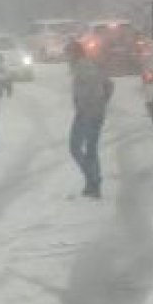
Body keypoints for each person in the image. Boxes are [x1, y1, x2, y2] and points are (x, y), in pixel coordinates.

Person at [67, 40, 113, 198]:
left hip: (88, 114)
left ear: (74, 54)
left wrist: (91, 106)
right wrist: (103, 102)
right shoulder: (84, 66)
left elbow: (96, 88)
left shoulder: (83, 68)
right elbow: (109, 84)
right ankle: (92, 182)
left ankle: (93, 182)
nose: (67, 58)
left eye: (68, 54)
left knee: (78, 148)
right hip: (90, 112)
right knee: (88, 149)